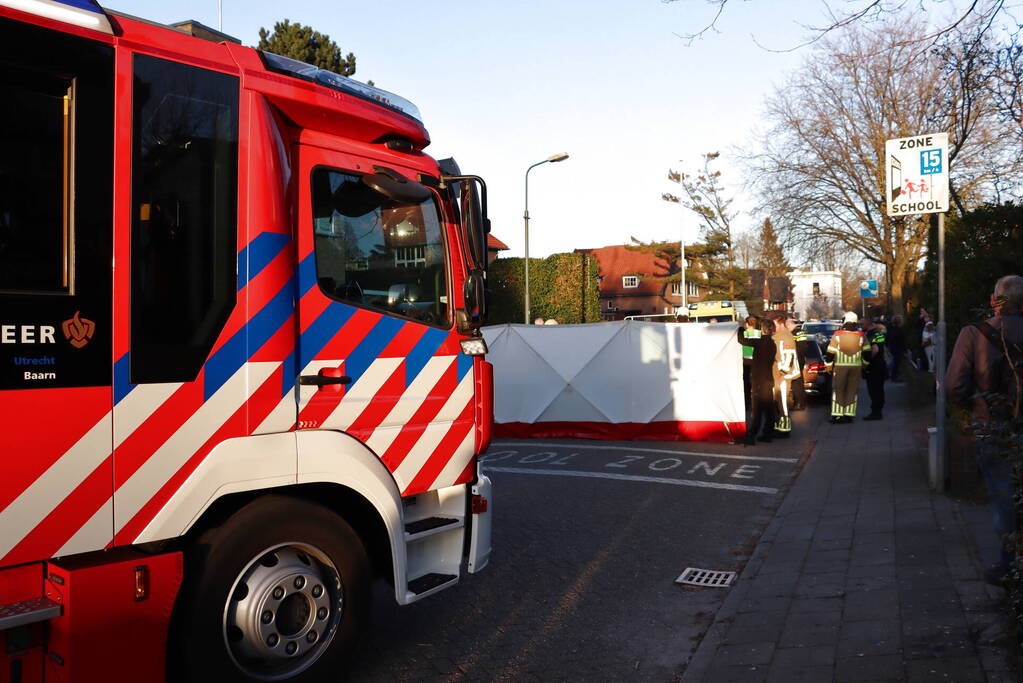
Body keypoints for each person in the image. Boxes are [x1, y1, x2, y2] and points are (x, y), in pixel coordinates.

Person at [946, 274, 1023, 585]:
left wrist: (972, 410)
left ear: (995, 301)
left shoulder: (974, 334)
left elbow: (954, 384)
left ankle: (1009, 566)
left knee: (1004, 497)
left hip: (993, 427)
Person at [736, 317, 777, 445]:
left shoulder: (760, 341)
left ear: (762, 329)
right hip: (768, 379)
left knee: (757, 409)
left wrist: (740, 327)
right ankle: (767, 433)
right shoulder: (771, 343)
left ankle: (751, 436)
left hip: (759, 380)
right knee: (768, 408)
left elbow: (742, 339)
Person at [826, 311, 866, 423]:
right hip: (856, 367)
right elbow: (867, 352)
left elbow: (830, 353)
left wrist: (828, 365)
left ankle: (837, 415)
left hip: (840, 367)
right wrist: (864, 364)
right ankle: (849, 415)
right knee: (852, 390)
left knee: (838, 390)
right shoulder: (861, 335)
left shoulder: (837, 335)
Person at [767, 311, 801, 437]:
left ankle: (785, 428)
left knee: (782, 401)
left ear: (779, 322)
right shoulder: (779, 335)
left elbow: (789, 357)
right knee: (777, 401)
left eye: (773, 323)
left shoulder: (785, 336)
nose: (771, 326)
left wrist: (783, 373)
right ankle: (778, 426)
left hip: (783, 374)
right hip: (778, 372)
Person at [861, 318, 888, 420]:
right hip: (880, 365)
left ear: (867, 324)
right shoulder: (879, 333)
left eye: (862, 323)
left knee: (874, 390)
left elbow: (875, 350)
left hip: (874, 367)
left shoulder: (871, 335)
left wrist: (867, 361)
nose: (861, 325)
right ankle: (878, 411)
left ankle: (875, 413)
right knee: (879, 389)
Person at [740, 316, 761, 412]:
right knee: (756, 382)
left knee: (746, 383)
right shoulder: (759, 333)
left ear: (747, 324)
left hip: (746, 360)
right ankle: (758, 402)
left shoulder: (744, 333)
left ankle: (747, 403)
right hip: (757, 360)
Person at [792, 323, 810, 411]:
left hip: (797, 359)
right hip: (799, 358)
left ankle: (799, 403)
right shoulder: (798, 332)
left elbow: (802, 346)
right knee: (798, 382)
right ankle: (799, 402)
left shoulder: (797, 332)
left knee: (797, 383)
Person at [887, 315, 905, 381]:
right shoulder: (899, 330)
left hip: (893, 348)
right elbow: (901, 340)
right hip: (897, 348)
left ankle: (894, 376)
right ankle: (894, 377)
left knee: (895, 362)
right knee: (896, 363)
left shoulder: (891, 329)